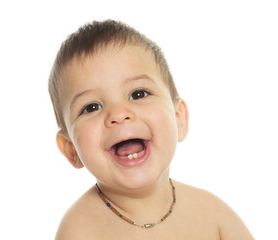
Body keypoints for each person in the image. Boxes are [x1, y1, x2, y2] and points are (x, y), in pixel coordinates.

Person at [48, 19, 254, 240]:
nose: (118, 114)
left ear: (179, 119)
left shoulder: (213, 213)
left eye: (138, 94)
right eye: (91, 107)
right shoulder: (81, 231)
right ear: (71, 150)